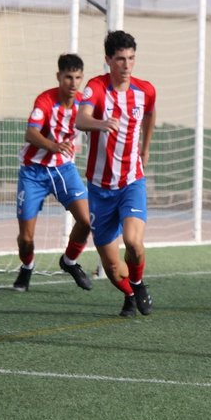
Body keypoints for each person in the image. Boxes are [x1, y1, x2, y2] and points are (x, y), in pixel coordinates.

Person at [76, 31, 156, 318]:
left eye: (131, 58)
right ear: (108, 60)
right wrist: (100, 123)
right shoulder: (96, 88)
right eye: (120, 59)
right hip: (99, 189)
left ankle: (137, 284)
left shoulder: (144, 90)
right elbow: (81, 118)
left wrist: (145, 148)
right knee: (111, 266)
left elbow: (150, 113)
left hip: (131, 181)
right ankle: (131, 294)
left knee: (134, 243)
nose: (126, 64)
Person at [13, 53, 94, 292]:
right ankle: (27, 267)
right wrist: (53, 146)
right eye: (68, 77)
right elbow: (31, 133)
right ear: (59, 77)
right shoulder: (45, 101)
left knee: (87, 221)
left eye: (78, 77)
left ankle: (69, 261)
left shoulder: (82, 104)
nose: (73, 83)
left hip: (63, 171)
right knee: (26, 239)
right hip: (33, 173)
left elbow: (93, 125)